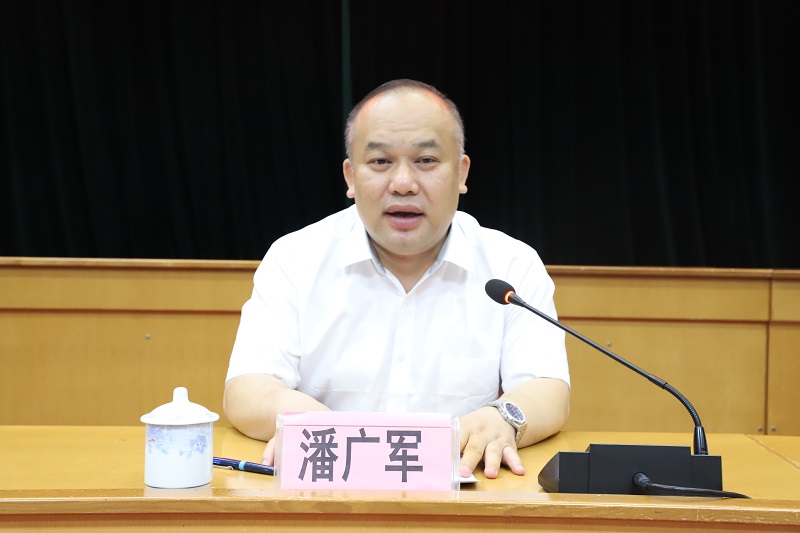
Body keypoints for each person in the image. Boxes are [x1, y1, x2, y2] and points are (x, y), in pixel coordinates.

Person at [224, 79, 570, 479]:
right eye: (380, 162)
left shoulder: (511, 265)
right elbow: (247, 388)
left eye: (426, 160)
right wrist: (308, 422)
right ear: (350, 177)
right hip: (329, 489)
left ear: (461, 172)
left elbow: (547, 389)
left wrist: (503, 418)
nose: (403, 183)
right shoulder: (296, 259)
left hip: (464, 495)